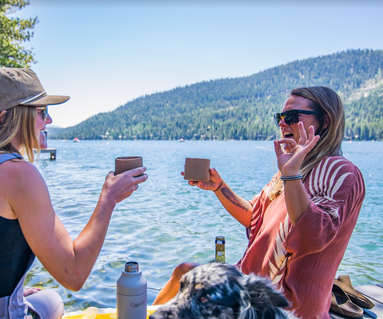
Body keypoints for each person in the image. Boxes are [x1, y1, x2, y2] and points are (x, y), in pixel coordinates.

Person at [0, 68, 148, 319]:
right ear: (6, 117)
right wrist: (108, 199)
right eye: (42, 112)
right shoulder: (17, 174)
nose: (49, 121)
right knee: (53, 299)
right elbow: (73, 274)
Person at [153, 86, 365, 318]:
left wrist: (291, 174)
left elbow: (312, 236)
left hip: (285, 307)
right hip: (251, 284)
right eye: (280, 117)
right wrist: (219, 187)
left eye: (292, 116)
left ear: (325, 121)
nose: (283, 123)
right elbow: (254, 215)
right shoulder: (292, 170)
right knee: (184, 273)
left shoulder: (340, 171)